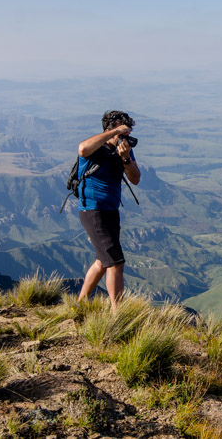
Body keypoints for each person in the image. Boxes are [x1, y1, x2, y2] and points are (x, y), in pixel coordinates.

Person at [76, 110, 141, 311]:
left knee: (103, 261)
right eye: (121, 133)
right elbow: (82, 148)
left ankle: (80, 304)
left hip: (110, 211)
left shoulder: (125, 150)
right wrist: (112, 134)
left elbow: (135, 178)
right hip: (93, 210)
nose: (125, 138)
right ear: (108, 130)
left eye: (127, 133)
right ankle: (117, 314)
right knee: (116, 263)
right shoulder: (96, 147)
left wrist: (126, 158)